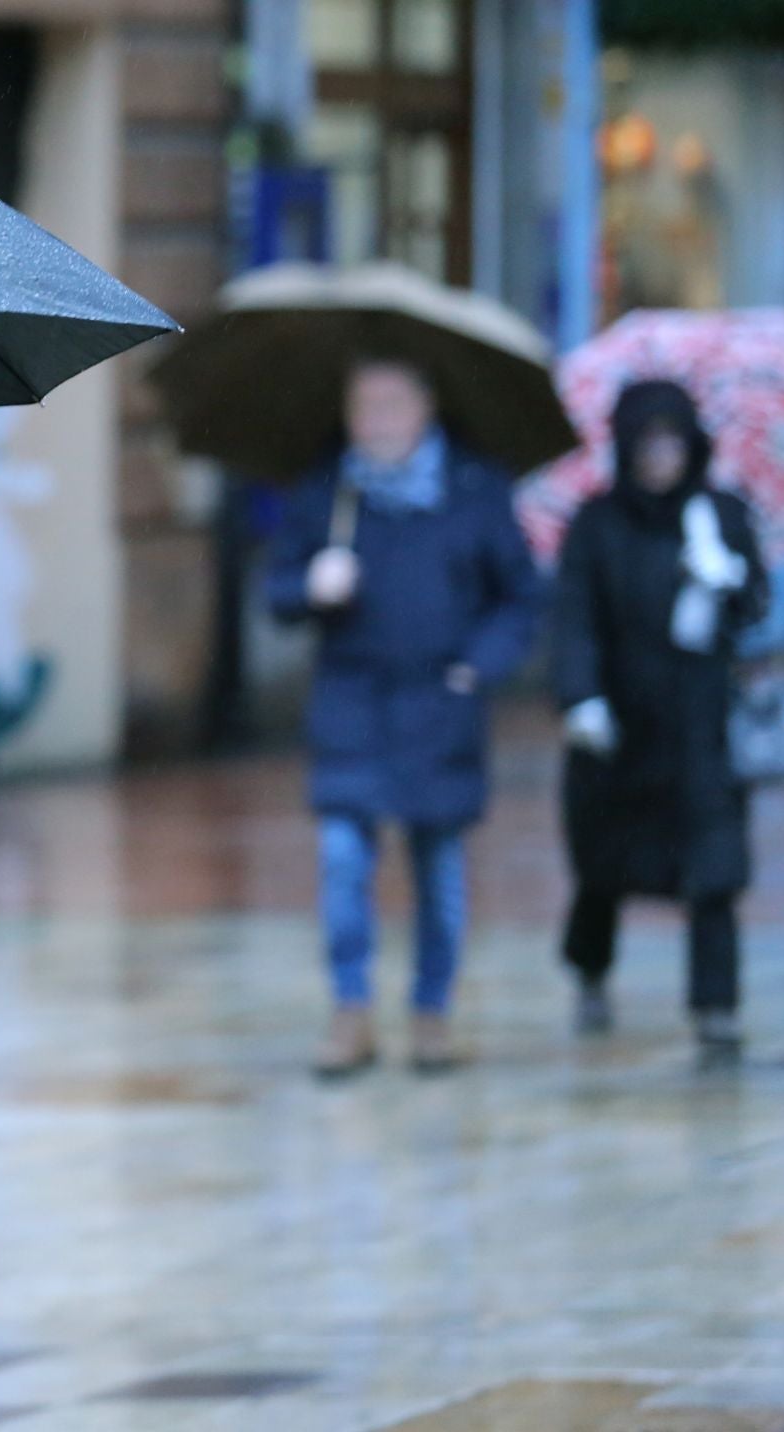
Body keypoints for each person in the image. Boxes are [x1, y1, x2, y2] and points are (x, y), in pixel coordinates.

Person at [267, 358, 540, 1078]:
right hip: (351, 705)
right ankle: (350, 1011)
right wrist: (311, 586)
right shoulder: (329, 490)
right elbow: (279, 590)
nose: (378, 422)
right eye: (364, 406)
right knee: (342, 860)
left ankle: (431, 1012)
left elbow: (519, 597)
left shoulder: (474, 491)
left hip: (439, 707)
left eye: (392, 404)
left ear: (426, 408)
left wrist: (477, 666)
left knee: (438, 870)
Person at [551, 379, 768, 1066]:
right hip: (617, 730)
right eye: (647, 443)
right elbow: (574, 621)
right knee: (603, 868)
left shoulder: (724, 515)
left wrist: (725, 580)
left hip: (701, 728)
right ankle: (591, 969)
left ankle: (717, 1008)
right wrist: (580, 697)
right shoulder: (597, 524)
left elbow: (755, 607)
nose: (660, 457)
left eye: (673, 441)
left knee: (714, 870)